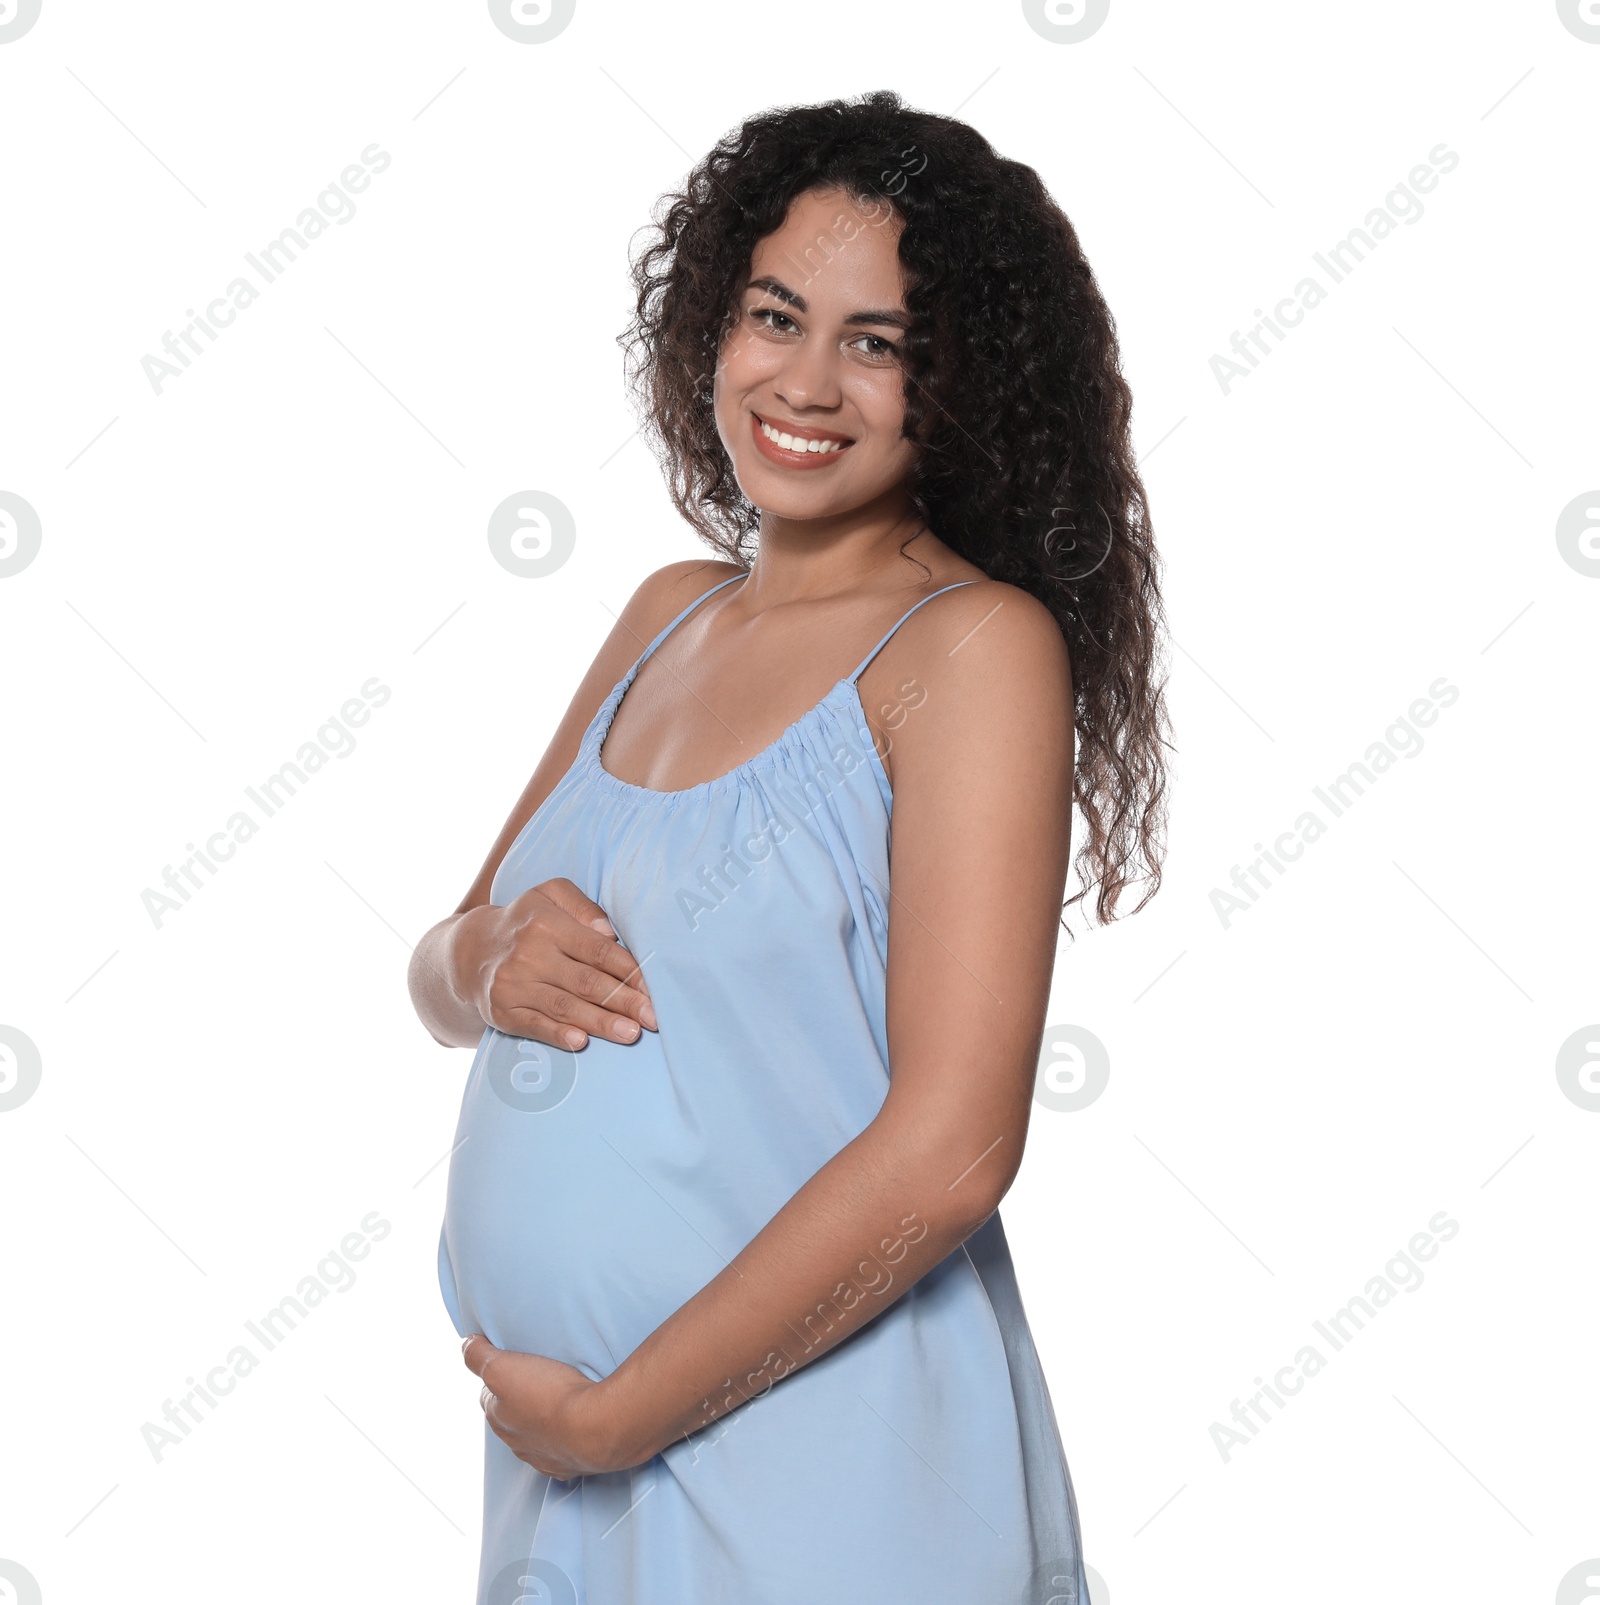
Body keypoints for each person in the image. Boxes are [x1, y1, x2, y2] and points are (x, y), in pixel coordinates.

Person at [409, 89, 1170, 1605]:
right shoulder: (666, 614)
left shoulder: (967, 650)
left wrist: (623, 1413)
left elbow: (955, 1144)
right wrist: (485, 956)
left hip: (821, 1463)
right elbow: (445, 967)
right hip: (569, 1477)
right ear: (712, 323)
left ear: (961, 387)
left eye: (879, 342)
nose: (807, 381)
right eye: (776, 315)